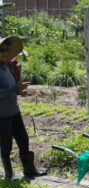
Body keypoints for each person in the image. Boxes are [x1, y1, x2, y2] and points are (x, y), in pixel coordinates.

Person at [0, 35, 47, 180]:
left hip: (14, 111)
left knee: (23, 139)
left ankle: (29, 170)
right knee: (6, 145)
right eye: (1, 51)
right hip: (2, 115)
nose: (5, 53)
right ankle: (9, 174)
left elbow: (10, 88)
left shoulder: (6, 67)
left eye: (6, 50)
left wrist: (20, 91)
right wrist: (15, 88)